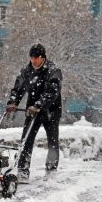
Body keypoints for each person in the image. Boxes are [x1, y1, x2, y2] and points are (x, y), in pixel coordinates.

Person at [6, 43, 63, 182]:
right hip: (32, 112)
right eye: (31, 58)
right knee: (26, 140)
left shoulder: (53, 70)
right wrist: (13, 102)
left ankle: (51, 171)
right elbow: (18, 88)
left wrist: (39, 104)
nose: (33, 61)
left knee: (52, 142)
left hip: (51, 112)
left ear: (43, 57)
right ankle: (23, 171)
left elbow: (52, 92)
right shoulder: (27, 71)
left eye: (36, 58)